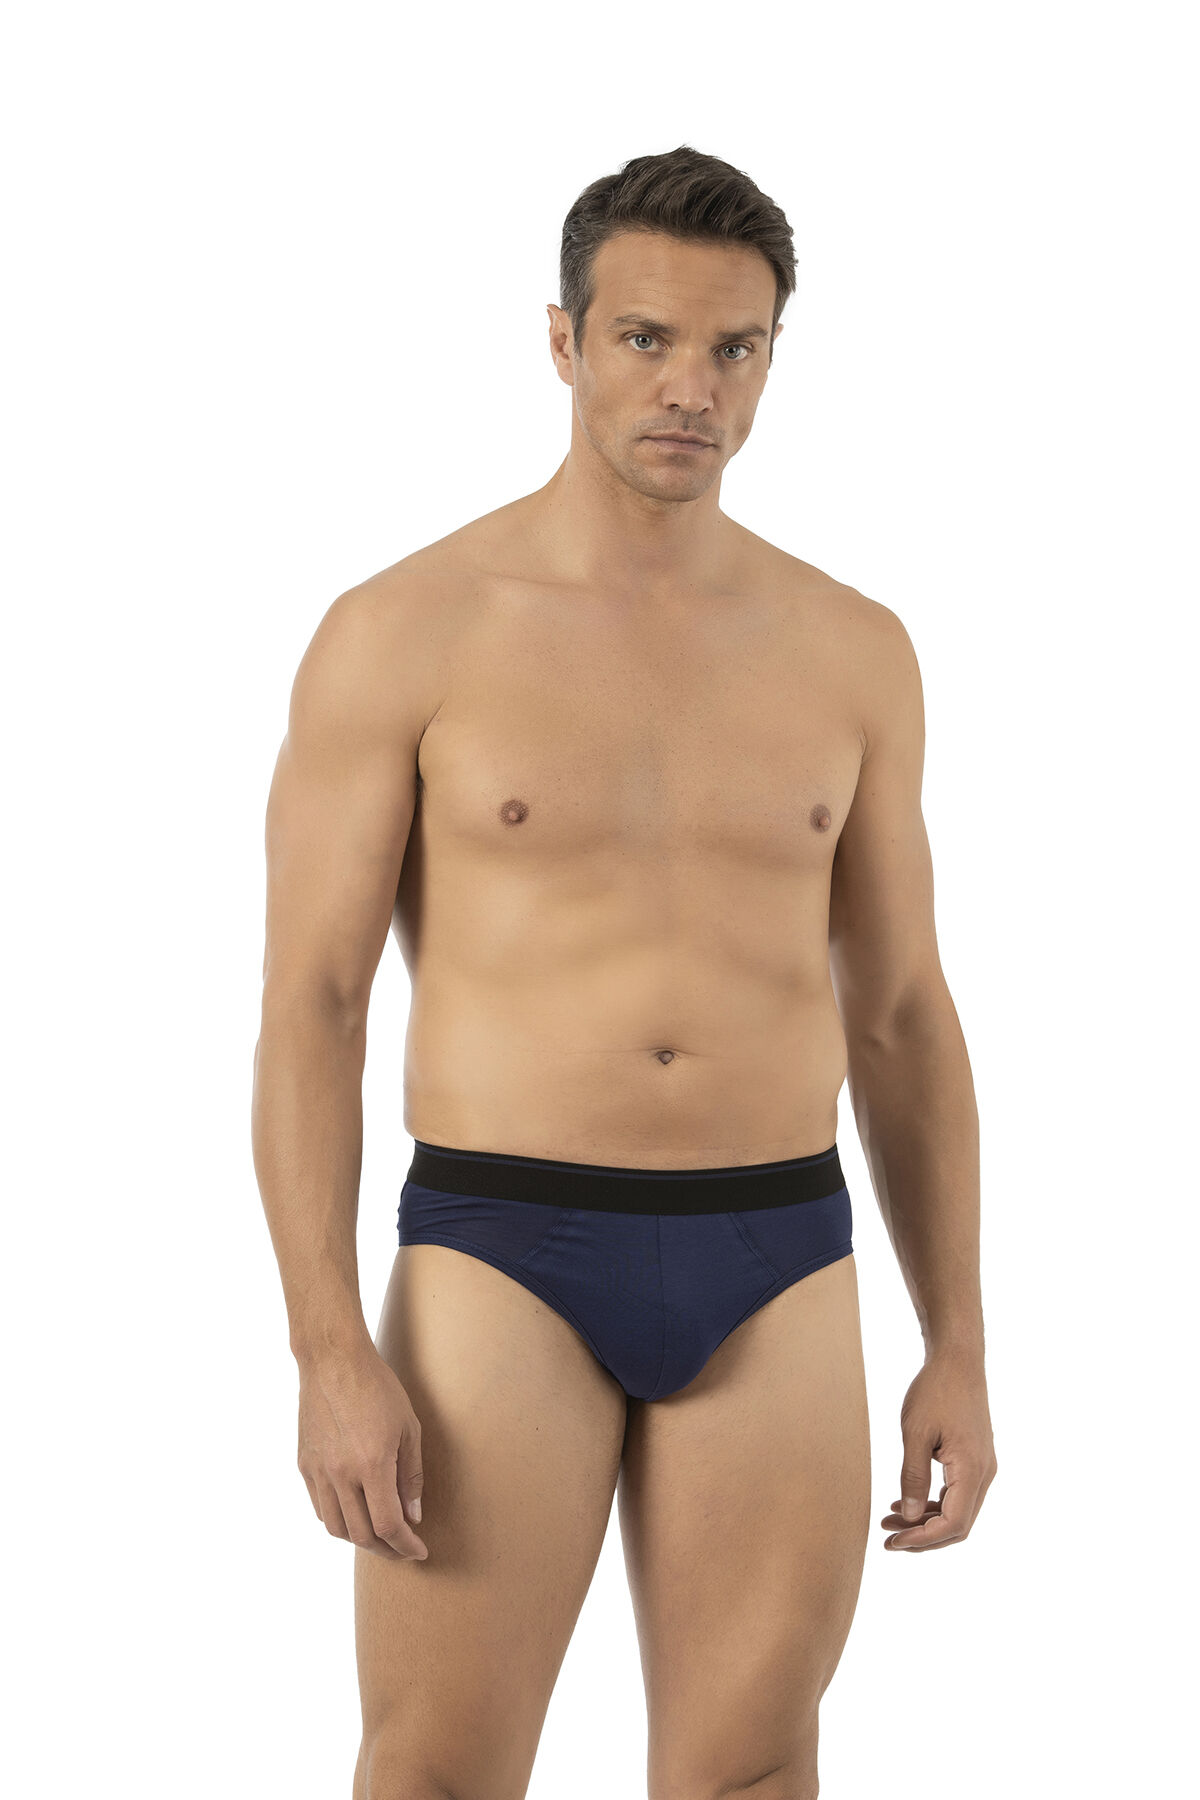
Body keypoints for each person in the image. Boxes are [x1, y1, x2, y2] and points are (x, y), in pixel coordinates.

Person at [252, 143, 997, 1800]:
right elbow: (313, 1003)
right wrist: (326, 1350)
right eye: (647, 339)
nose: (691, 389)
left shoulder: (853, 649)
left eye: (736, 349)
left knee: (751, 1774)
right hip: (505, 1245)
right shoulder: (407, 629)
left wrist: (958, 1336)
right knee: (437, 1772)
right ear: (563, 341)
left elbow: (899, 1012)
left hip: (779, 1246)